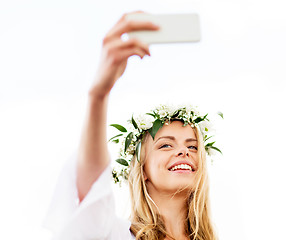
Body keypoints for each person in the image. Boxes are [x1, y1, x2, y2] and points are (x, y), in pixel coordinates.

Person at [44, 12, 219, 240]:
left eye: (193, 147)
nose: (184, 151)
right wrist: (98, 95)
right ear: (142, 168)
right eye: (166, 145)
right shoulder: (117, 234)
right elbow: (92, 194)